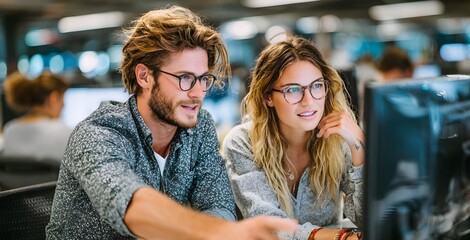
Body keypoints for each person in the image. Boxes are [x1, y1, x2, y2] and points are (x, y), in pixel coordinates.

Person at [46, 5, 297, 240]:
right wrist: (219, 232)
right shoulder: (99, 134)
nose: (198, 93)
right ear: (144, 76)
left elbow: (216, 202)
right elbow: (131, 205)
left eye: (203, 79)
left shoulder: (199, 127)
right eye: (185, 78)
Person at [223, 36, 365, 240]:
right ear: (268, 96)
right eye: (293, 90)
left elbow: (367, 219)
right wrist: (339, 237)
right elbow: (269, 226)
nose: (309, 101)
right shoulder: (243, 142)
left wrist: (358, 145)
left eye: (316, 86)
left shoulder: (337, 139)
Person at [2, 71, 71, 161]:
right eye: (62, 99)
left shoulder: (10, 130)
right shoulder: (66, 133)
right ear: (53, 99)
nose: (63, 106)